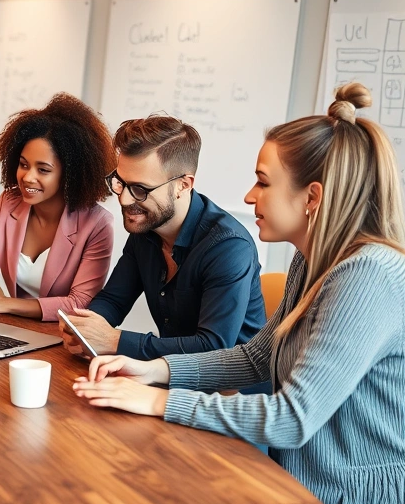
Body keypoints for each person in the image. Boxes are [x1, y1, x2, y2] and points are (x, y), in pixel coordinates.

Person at [72, 83, 405, 504]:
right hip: (293, 479)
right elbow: (255, 358)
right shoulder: (312, 261)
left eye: (264, 182)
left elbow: (292, 419)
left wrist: (160, 400)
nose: (250, 197)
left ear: (312, 198)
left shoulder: (367, 275)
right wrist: (152, 370)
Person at [63, 115, 265, 360]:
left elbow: (213, 348)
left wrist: (114, 340)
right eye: (120, 183)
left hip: (229, 393)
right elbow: (114, 300)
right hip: (168, 377)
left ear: (183, 185)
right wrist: (86, 329)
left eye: (140, 189)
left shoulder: (228, 247)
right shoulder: (146, 227)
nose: (125, 200)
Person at [0, 93, 115, 321]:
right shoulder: (7, 204)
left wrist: (6, 304)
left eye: (43, 170)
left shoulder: (97, 224)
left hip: (62, 338)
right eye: (23, 165)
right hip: (14, 328)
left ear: (69, 175)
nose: (27, 177)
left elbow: (79, 303)